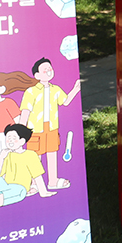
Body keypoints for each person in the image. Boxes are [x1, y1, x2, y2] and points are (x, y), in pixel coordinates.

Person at [19, 57, 81, 190]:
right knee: (35, 156)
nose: (48, 71)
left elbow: (65, 101)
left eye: (50, 68)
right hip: (35, 129)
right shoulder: (31, 92)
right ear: (37, 75)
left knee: (52, 152)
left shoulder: (56, 89)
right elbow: (25, 111)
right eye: (44, 69)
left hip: (52, 127)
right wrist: (20, 131)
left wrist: (76, 89)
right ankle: (34, 183)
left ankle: (53, 181)